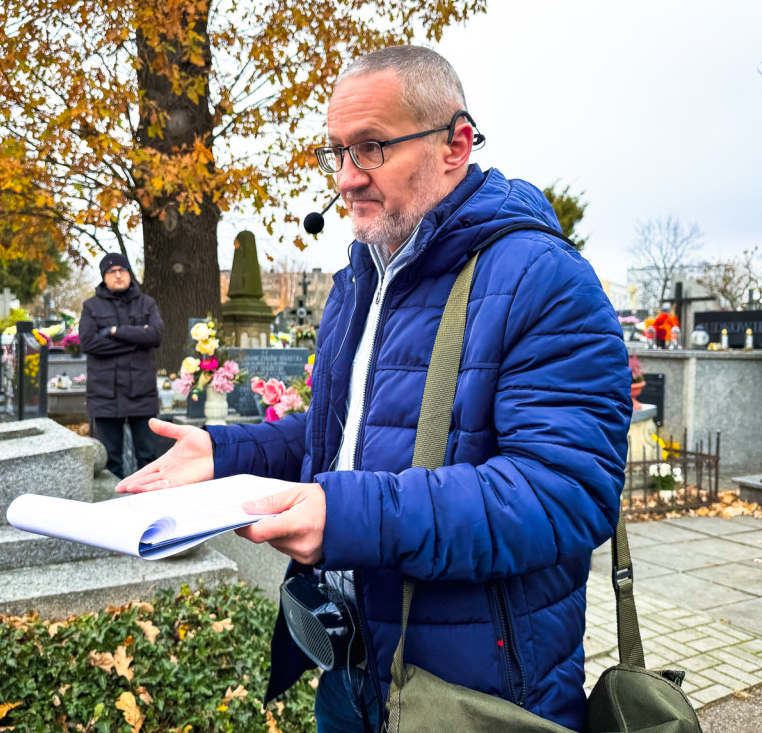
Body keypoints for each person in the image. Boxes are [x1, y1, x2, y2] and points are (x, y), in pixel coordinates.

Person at [117, 46, 630, 732]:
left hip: (470, 694)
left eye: (371, 148)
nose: (346, 179)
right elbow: (350, 435)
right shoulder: (364, 274)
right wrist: (225, 453)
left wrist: (346, 515)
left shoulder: (544, 280)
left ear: (457, 144)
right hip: (352, 673)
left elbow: (563, 493)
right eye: (335, 152)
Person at [79, 253, 165, 479]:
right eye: (111, 271)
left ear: (129, 273)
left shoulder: (147, 303)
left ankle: (150, 504)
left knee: (148, 458)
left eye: (122, 270)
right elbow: (88, 342)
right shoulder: (91, 307)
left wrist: (117, 332)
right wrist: (135, 342)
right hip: (105, 395)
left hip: (142, 395)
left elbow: (155, 335)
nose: (118, 275)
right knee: (109, 463)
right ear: (103, 277)